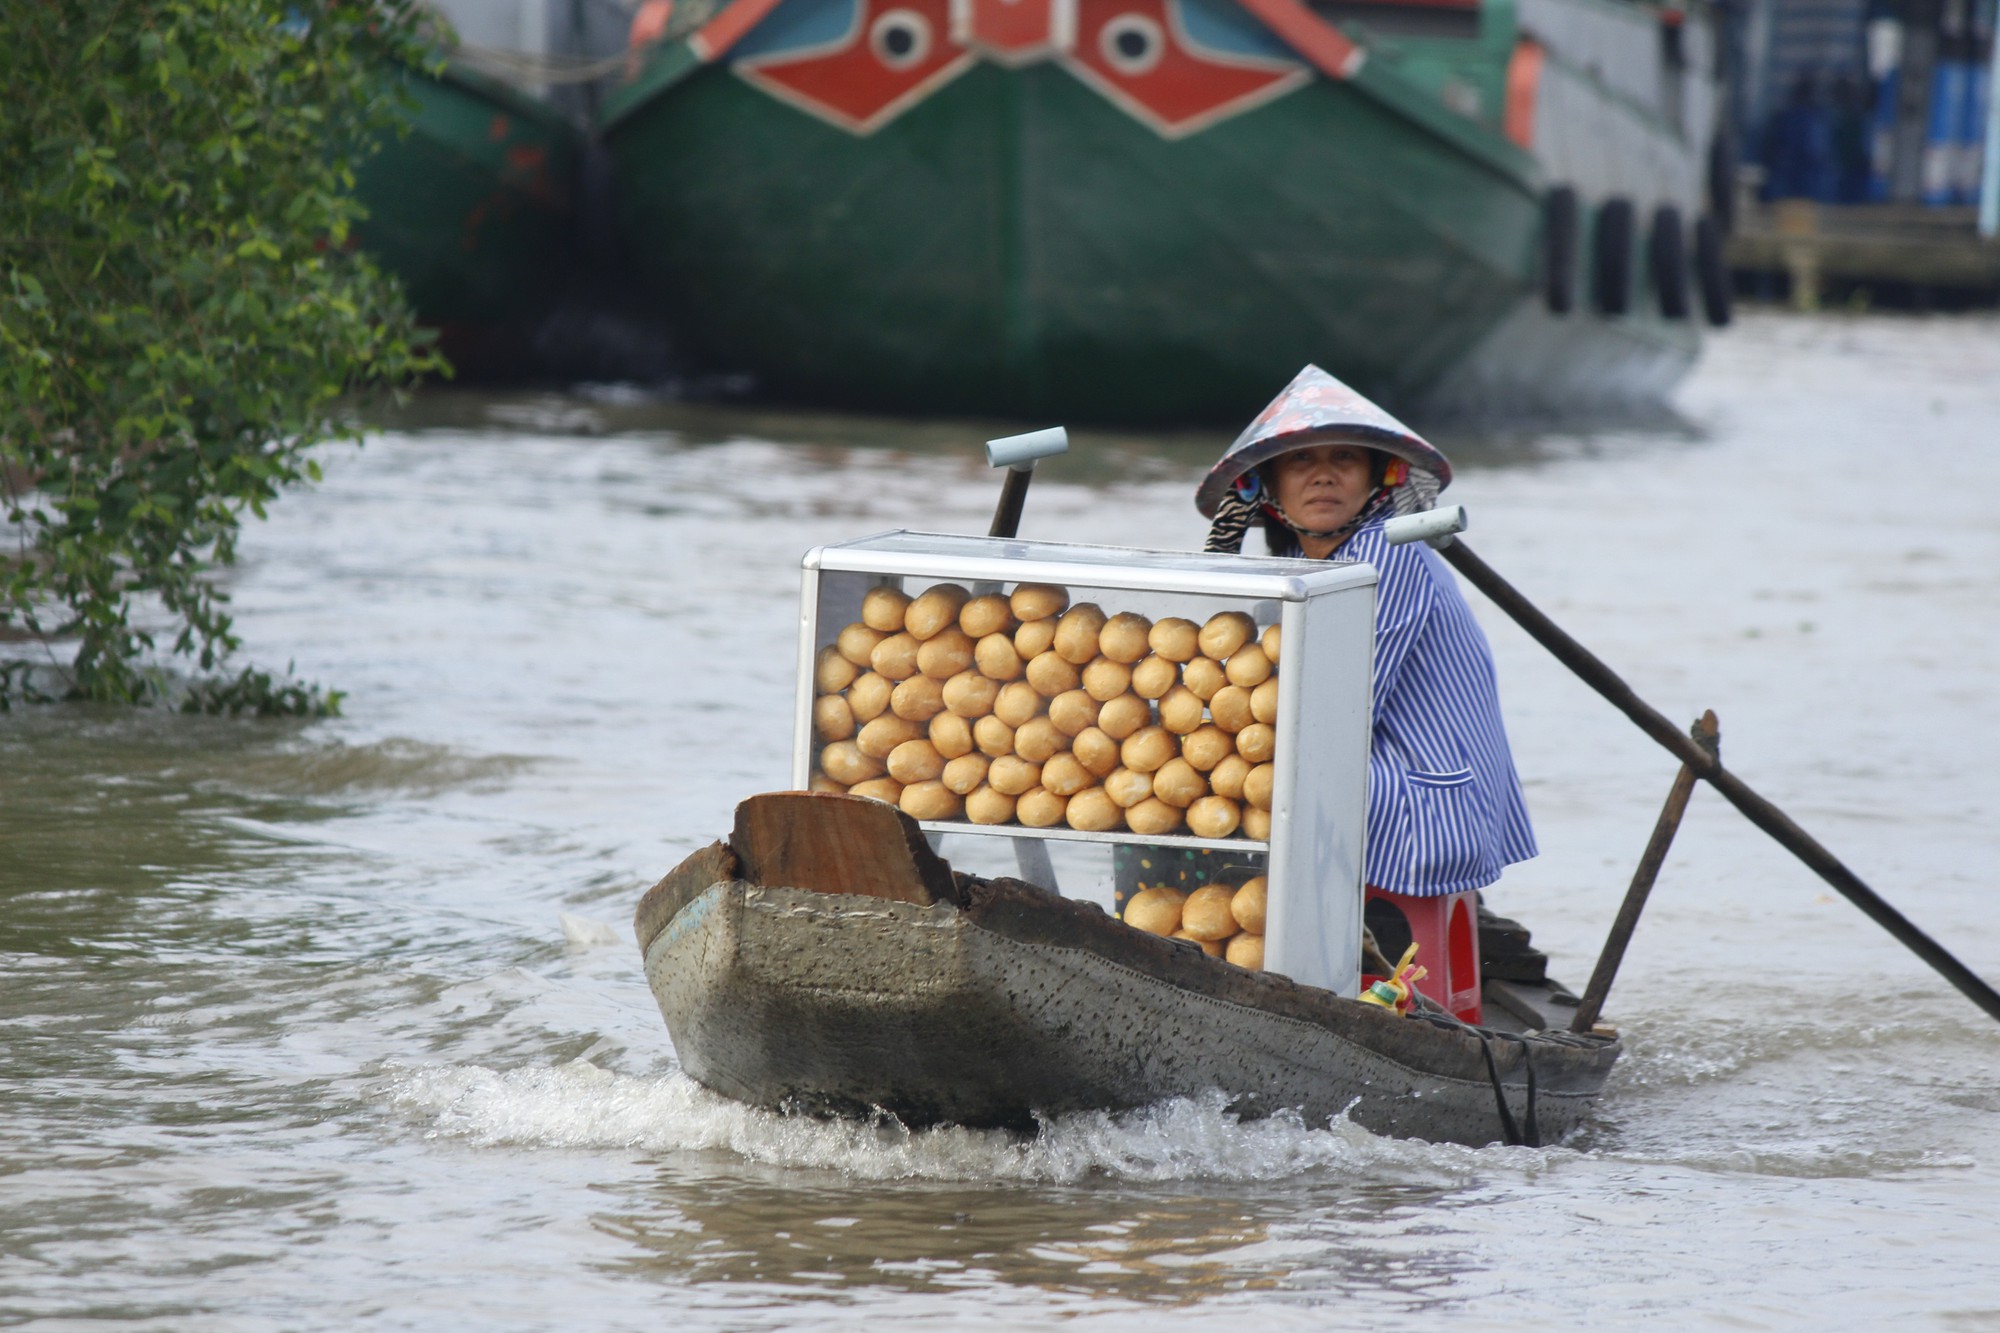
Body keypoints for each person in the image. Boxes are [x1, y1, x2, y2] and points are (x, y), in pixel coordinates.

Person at [1194, 365, 1537, 1004]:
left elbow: (1334, 711)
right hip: (1386, 780)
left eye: (1344, 459)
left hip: (1426, 804)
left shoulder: (1388, 553)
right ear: (1269, 486)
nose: (1323, 476)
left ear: (1380, 476)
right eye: (1301, 461)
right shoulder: (1300, 563)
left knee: (1221, 790)